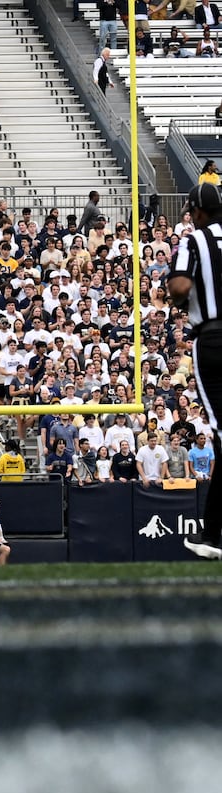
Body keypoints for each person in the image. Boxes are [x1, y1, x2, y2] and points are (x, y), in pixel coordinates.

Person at [169, 183, 222, 558]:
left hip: (215, 340)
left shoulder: (194, 240)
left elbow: (181, 284)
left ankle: (211, 535)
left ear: (196, 212)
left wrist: (176, 296)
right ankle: (211, 534)